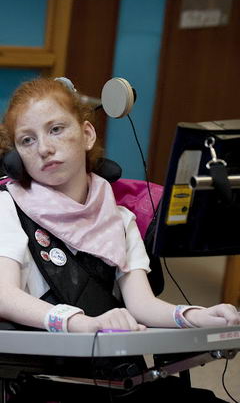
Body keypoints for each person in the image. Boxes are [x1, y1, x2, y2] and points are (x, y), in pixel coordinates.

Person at [0, 77, 239, 403]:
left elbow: (141, 304)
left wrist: (195, 316)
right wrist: (77, 321)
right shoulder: (8, 207)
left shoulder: (120, 218)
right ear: (17, 157)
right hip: (44, 381)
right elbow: (3, 295)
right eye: (27, 140)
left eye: (56, 129)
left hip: (116, 376)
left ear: (87, 134)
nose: (44, 148)